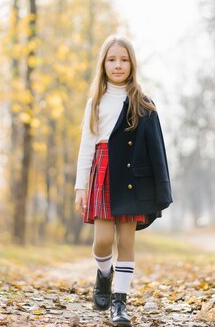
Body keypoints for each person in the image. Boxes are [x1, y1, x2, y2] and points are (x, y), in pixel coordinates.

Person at [74, 35, 173, 326]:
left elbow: (156, 150)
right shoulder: (96, 102)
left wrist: (158, 188)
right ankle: (104, 275)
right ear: (103, 64)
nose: (118, 65)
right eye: (112, 59)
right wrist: (80, 186)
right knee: (103, 241)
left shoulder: (142, 103)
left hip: (131, 176)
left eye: (124, 59)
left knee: (126, 241)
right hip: (103, 170)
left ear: (132, 64)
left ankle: (120, 303)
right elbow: (86, 146)